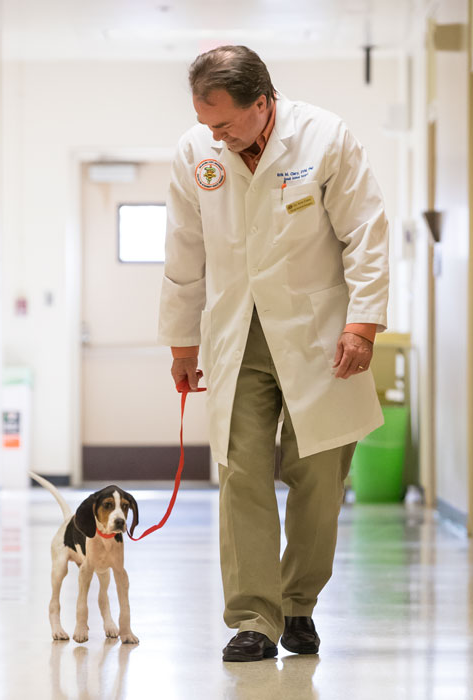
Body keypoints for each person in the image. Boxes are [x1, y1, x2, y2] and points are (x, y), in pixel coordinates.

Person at [158, 45, 389, 662]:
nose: (216, 135)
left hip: (322, 337)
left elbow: (365, 229)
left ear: (263, 103)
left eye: (226, 123)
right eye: (207, 124)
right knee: (242, 478)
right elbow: (184, 248)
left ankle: (299, 606)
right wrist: (183, 340)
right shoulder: (195, 152)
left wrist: (364, 323)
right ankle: (254, 619)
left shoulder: (324, 138)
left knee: (319, 478)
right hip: (235, 336)